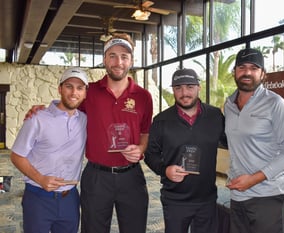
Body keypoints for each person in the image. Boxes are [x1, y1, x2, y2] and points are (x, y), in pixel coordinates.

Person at [26, 33, 153, 233]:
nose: (118, 62)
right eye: (112, 55)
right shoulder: (90, 92)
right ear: (104, 60)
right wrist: (41, 108)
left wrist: (141, 148)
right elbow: (67, 104)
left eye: (124, 56)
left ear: (131, 61)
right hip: (96, 177)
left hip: (131, 176)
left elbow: (145, 132)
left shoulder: (144, 96)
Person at [224, 48, 284, 233]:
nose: (247, 72)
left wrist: (253, 179)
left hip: (269, 195)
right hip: (238, 194)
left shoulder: (276, 104)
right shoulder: (228, 105)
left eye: (254, 68)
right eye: (242, 67)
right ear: (234, 72)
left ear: (263, 74)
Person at [144, 68, 226, 233]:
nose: (184, 93)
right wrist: (164, 170)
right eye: (178, 88)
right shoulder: (161, 121)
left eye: (189, 87)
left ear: (199, 87)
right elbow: (150, 155)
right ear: (173, 90)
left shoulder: (215, 116)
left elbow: (233, 143)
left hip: (207, 199)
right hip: (175, 200)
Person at [10, 67, 89, 233]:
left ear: (85, 94)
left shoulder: (85, 120)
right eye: (69, 86)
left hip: (70, 198)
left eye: (80, 88)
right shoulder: (37, 118)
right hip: (38, 197)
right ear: (60, 89)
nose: (74, 92)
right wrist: (40, 179)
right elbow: (16, 156)